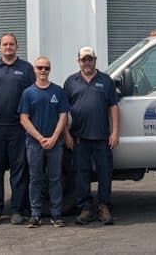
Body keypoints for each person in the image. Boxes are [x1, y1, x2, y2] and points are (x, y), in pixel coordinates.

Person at [0, 33, 36, 225]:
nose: (8, 47)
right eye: (5, 44)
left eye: (11, 44)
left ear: (17, 47)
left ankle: (17, 211)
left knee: (19, 170)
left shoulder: (26, 69)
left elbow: (33, 94)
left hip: (18, 127)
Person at [63, 46, 120, 225]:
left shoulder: (106, 80)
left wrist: (115, 132)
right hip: (79, 137)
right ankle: (86, 208)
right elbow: (63, 111)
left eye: (90, 59)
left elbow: (113, 107)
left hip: (102, 137)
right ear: (78, 61)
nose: (87, 62)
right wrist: (66, 134)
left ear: (95, 60)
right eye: (84, 59)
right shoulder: (71, 81)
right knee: (81, 174)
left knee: (105, 173)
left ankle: (104, 206)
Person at [19, 56, 70, 228]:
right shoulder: (28, 93)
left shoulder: (58, 91)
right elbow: (24, 119)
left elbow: (63, 116)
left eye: (46, 68)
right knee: (35, 179)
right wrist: (40, 138)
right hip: (34, 144)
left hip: (55, 143)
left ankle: (56, 214)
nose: (43, 70)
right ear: (34, 69)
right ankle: (35, 215)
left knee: (55, 178)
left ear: (50, 70)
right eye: (40, 67)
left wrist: (54, 137)